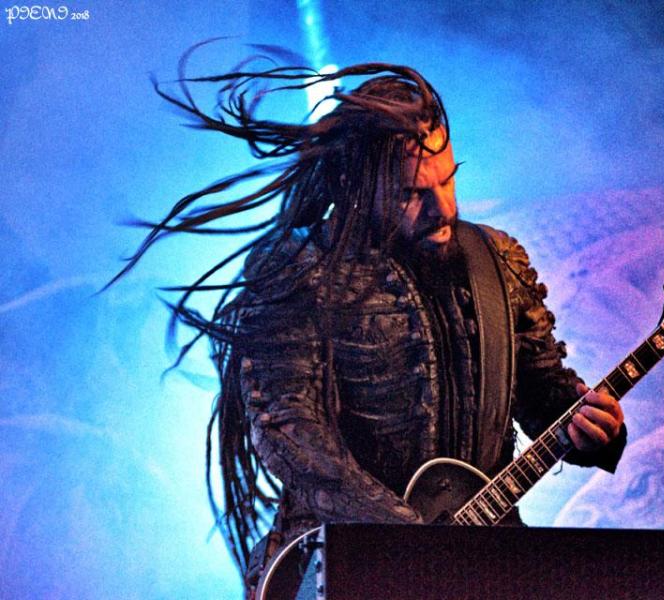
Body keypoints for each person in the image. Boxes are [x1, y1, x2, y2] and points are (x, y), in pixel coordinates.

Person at [111, 50, 626, 595]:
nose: (443, 208)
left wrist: (595, 430)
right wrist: (403, 538)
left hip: (480, 565)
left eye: (448, 181)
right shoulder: (300, 269)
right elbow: (289, 432)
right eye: (412, 194)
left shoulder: (498, 259)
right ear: (356, 186)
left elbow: (545, 395)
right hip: (342, 570)